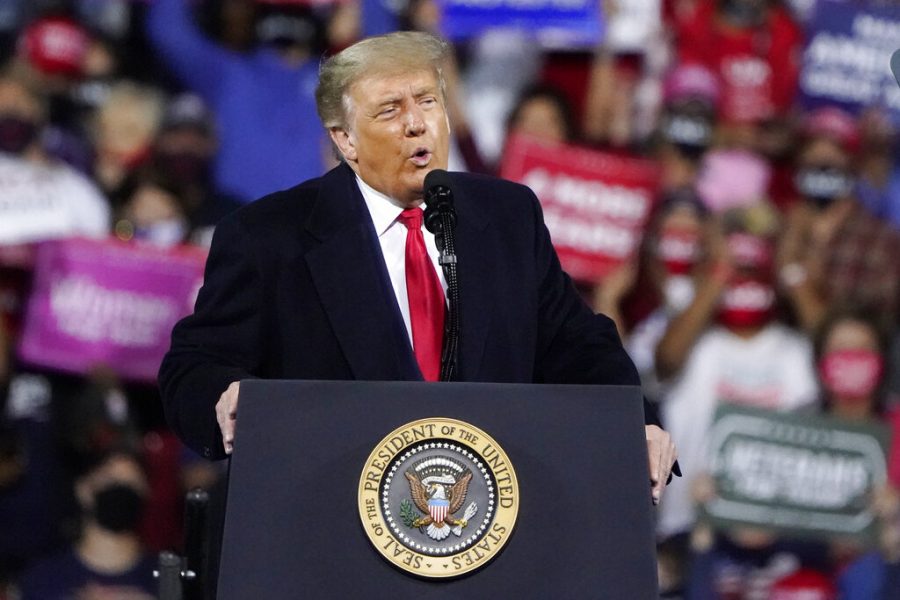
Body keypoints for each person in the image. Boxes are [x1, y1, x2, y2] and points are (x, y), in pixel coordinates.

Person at [158, 31, 678, 503]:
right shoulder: (269, 236)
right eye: (389, 110)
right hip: (331, 525)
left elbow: (579, 345)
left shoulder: (507, 216)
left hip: (492, 525)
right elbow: (195, 364)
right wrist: (223, 398)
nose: (415, 123)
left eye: (428, 102)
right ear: (345, 139)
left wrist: (633, 422)